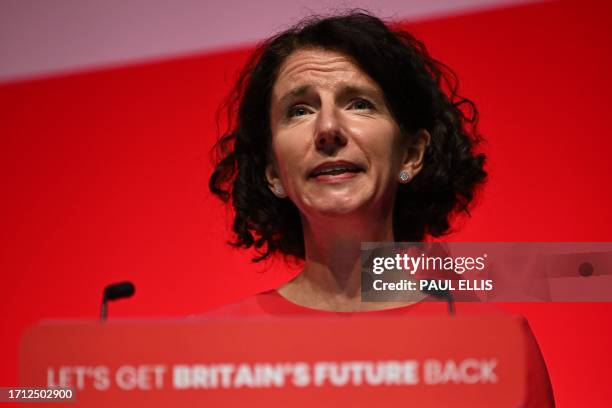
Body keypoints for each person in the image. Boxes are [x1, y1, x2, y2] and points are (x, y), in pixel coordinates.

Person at [208, 11, 555, 406]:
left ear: (410, 154)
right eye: (299, 110)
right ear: (272, 171)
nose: (327, 129)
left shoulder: (497, 346)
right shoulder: (205, 349)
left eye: (358, 103)